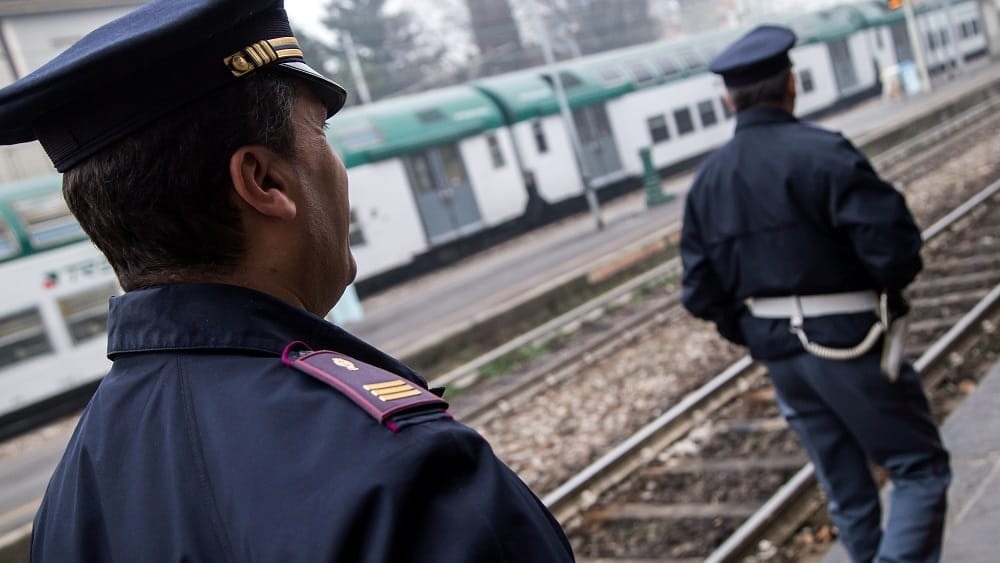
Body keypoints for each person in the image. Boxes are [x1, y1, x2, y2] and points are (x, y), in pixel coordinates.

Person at [0, 1, 575, 561]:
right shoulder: (407, 475)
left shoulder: (70, 499)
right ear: (264, 181)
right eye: (321, 131)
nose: (338, 168)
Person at [679, 25, 950, 563]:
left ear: (729, 100)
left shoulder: (708, 181)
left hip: (782, 357)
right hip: (849, 339)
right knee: (918, 468)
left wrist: (758, 330)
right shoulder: (824, 153)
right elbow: (895, 249)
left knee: (846, 488)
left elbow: (700, 290)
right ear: (791, 85)